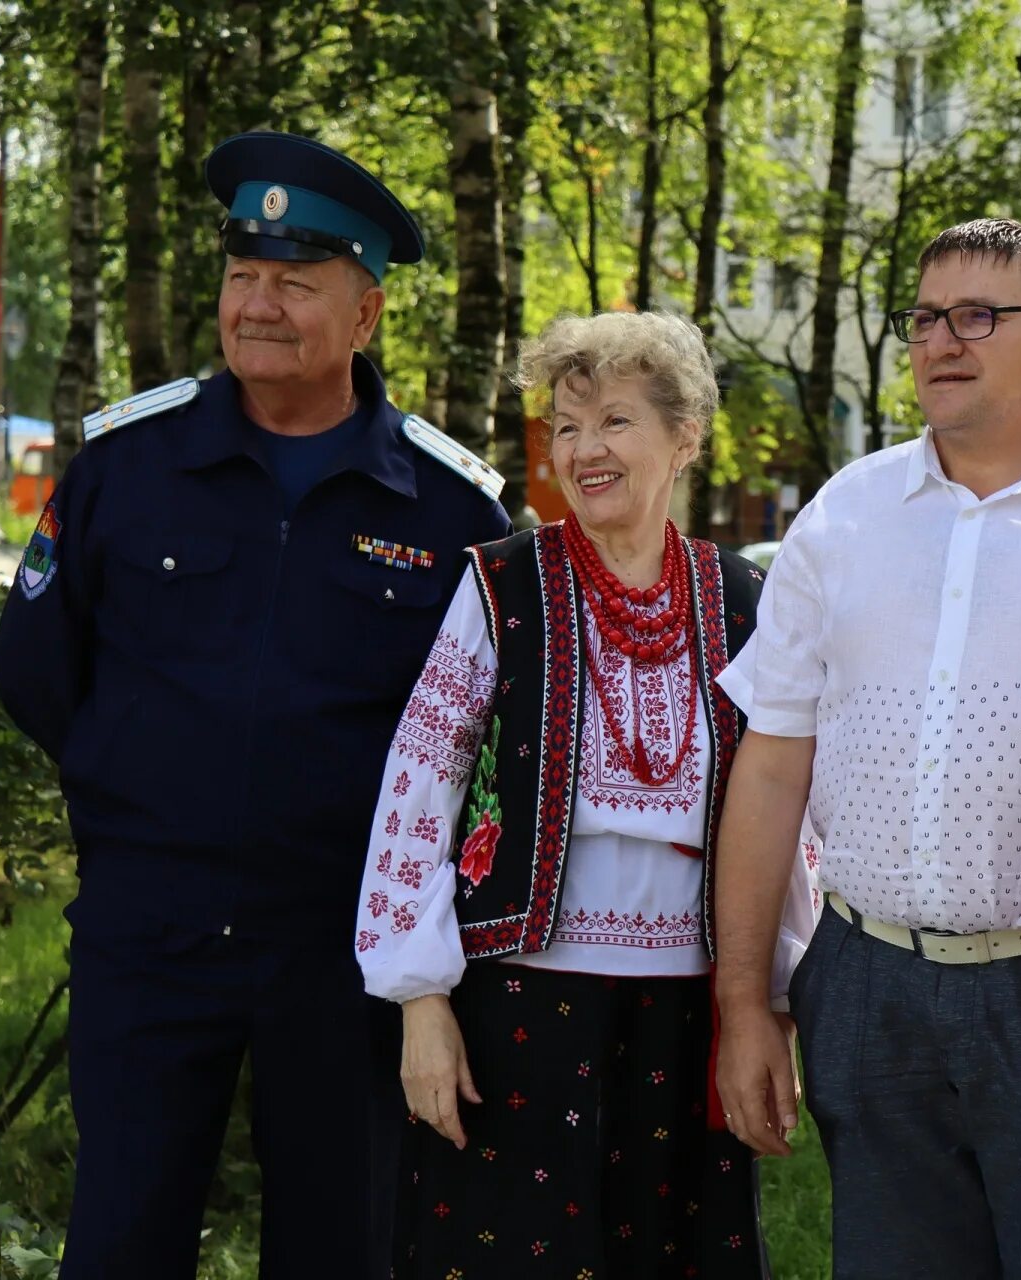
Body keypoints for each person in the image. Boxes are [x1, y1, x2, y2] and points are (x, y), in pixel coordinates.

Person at [0, 131, 510, 1277]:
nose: (259, 305)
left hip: (346, 948)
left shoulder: (445, 507)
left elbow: (484, 739)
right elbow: (34, 663)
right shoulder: (128, 465)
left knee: (342, 1242)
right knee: (124, 1233)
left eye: (296, 280)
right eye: (243, 275)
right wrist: (137, 794)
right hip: (150, 931)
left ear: (366, 313)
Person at [710, 217, 1021, 1280]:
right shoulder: (846, 514)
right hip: (868, 982)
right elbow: (771, 763)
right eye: (926, 318)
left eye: (979, 316)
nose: (942, 341)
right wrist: (746, 1002)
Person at [356, 310, 812, 1278]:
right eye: (565, 426)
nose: (582, 449)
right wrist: (420, 999)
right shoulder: (502, 584)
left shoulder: (744, 602)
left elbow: (792, 820)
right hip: (515, 1008)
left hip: (690, 1010)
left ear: (685, 436)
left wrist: (774, 1002)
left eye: (613, 420)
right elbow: (417, 789)